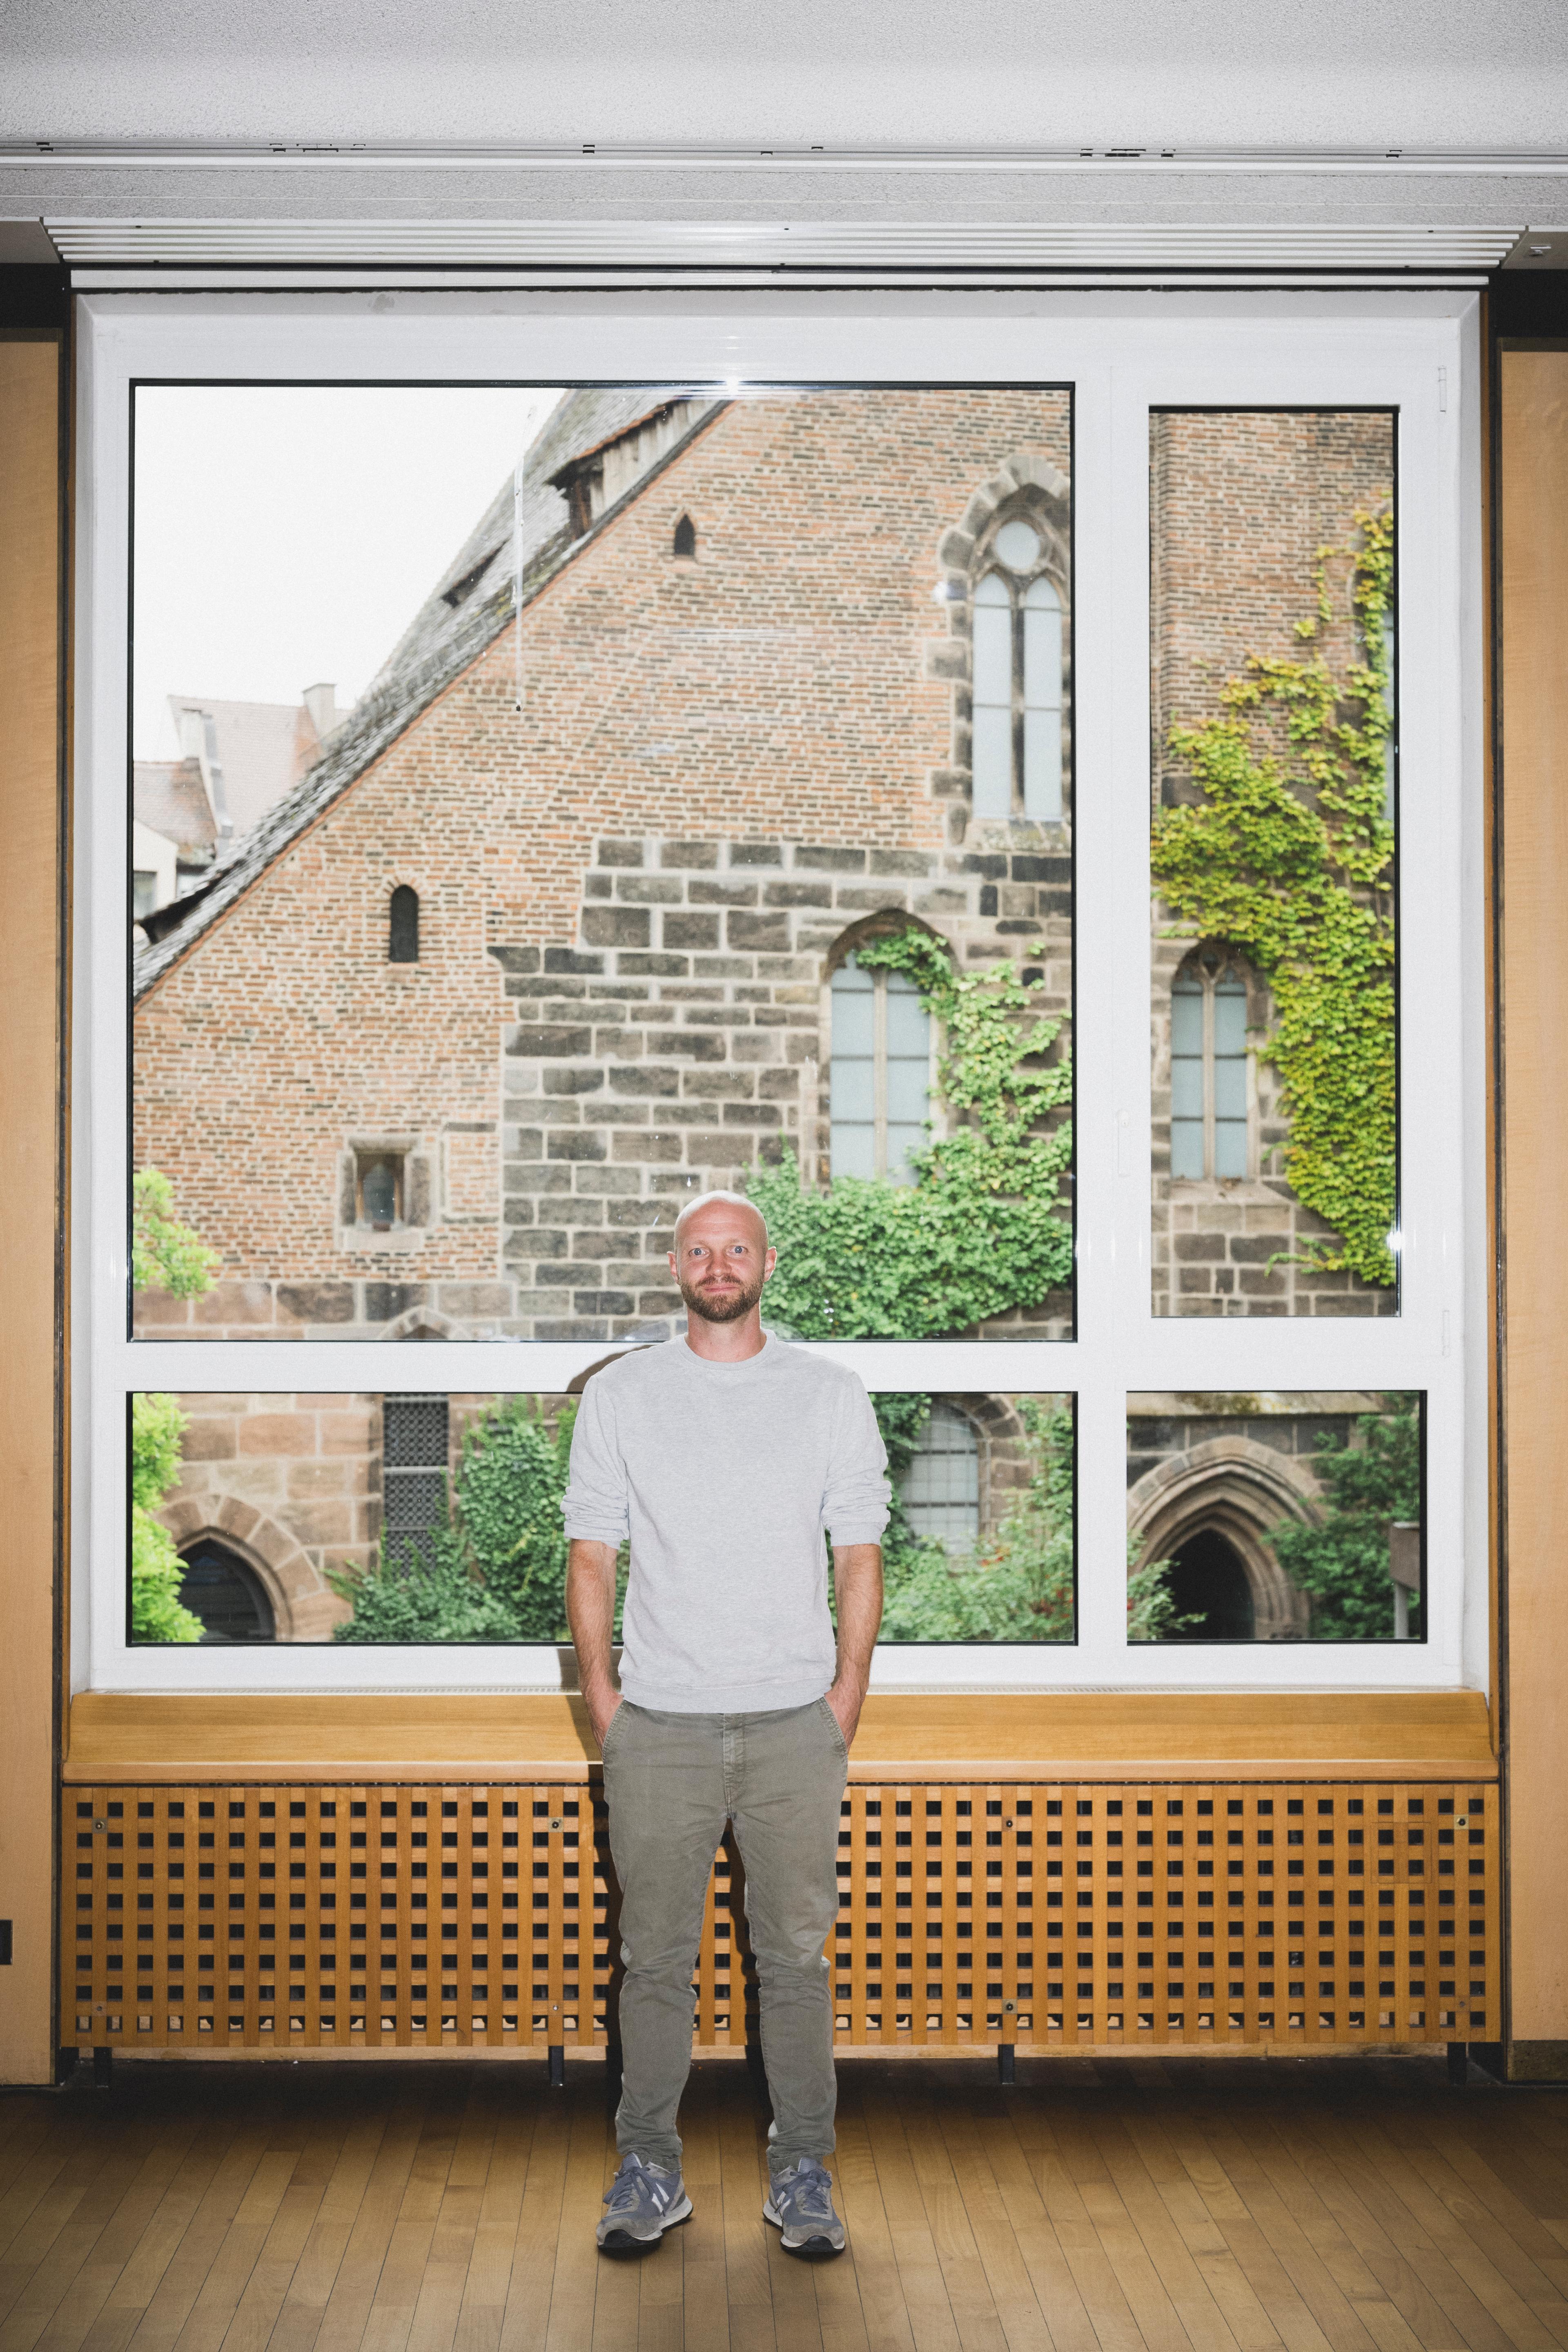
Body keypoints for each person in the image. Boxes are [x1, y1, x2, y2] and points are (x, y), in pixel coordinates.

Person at [563, 1188, 887, 2258]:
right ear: (674, 1267)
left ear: (766, 1262)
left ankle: (804, 2173)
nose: (718, 1266)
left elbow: (860, 1552)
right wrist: (605, 1701)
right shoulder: (623, 1396)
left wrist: (846, 1694)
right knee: (654, 1962)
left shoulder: (829, 1395)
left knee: (794, 1963)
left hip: (797, 1724)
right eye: (699, 1251)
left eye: (735, 1248)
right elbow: (592, 1556)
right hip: (659, 1725)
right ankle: (648, 2170)